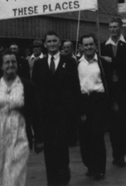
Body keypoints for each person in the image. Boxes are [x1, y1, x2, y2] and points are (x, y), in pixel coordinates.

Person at [0, 49, 42, 186]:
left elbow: (36, 113)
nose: (10, 65)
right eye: (7, 62)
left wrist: (39, 138)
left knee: (14, 175)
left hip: (20, 134)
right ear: (1, 66)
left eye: (13, 62)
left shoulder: (28, 86)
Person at [32, 31, 80, 185]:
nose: (52, 44)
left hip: (63, 114)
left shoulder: (70, 62)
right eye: (49, 41)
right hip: (46, 115)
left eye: (55, 41)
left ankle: (63, 179)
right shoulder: (39, 64)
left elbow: (75, 88)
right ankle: (52, 181)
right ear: (45, 44)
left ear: (59, 43)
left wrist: (73, 112)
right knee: (49, 151)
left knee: (61, 148)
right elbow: (36, 91)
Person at [100, 16, 126, 167]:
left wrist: (112, 61)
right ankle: (116, 154)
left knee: (123, 122)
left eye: (115, 27)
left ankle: (122, 153)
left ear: (120, 27)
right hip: (110, 89)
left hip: (124, 89)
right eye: (111, 27)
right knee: (113, 125)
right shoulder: (103, 45)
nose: (113, 29)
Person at [77, 34, 111, 181]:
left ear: (96, 46)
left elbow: (109, 83)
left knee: (97, 136)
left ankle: (99, 169)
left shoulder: (103, 63)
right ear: (81, 47)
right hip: (84, 102)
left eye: (91, 44)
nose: (89, 47)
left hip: (99, 101)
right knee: (85, 137)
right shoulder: (76, 64)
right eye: (86, 45)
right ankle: (90, 165)